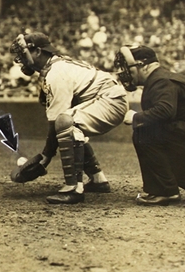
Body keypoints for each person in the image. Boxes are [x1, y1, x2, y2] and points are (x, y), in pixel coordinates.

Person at [10, 32, 128, 204]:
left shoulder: (56, 72)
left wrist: (46, 156)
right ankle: (98, 180)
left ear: (38, 52)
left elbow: (56, 121)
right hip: (108, 97)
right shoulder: (55, 65)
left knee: (65, 122)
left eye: (24, 52)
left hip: (110, 100)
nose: (21, 58)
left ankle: (74, 187)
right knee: (72, 125)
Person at [113, 44, 185, 206]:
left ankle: (164, 192)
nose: (125, 73)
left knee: (144, 133)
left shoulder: (160, 80)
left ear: (144, 66)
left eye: (129, 67)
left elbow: (165, 111)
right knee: (160, 154)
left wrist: (136, 118)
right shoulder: (161, 78)